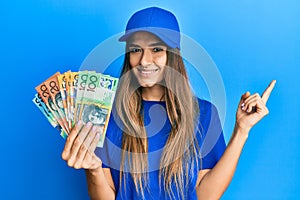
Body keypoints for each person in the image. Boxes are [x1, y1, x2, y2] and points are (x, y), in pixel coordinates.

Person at [61, 7, 276, 199]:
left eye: (156, 49)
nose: (144, 61)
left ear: (173, 55)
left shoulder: (204, 114)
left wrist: (241, 130)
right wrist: (94, 170)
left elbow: (206, 196)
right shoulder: (107, 114)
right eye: (136, 49)